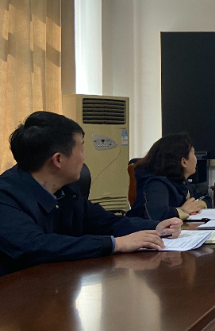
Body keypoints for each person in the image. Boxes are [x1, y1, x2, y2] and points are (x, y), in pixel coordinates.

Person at [0, 112, 182, 276]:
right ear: (58, 159)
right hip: (17, 294)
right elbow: (35, 247)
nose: (84, 158)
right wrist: (116, 244)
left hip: (58, 285)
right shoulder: (6, 195)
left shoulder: (67, 189)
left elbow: (106, 222)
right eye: (81, 149)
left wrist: (155, 227)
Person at [127, 133, 207, 221]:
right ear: (184, 162)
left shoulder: (180, 182)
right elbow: (157, 214)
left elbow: (206, 197)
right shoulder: (156, 184)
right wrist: (183, 211)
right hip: (143, 229)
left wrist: (196, 205)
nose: (196, 159)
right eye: (193, 153)